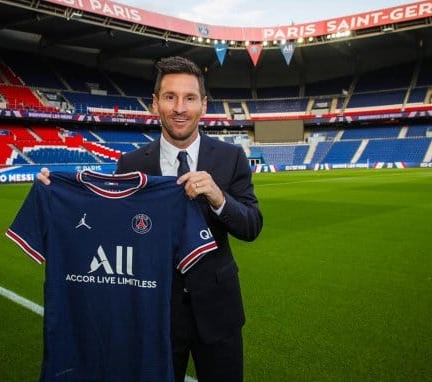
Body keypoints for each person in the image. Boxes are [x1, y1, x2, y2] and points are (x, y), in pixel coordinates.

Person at [37, 56, 263, 382]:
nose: (179, 108)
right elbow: (107, 231)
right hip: (153, 315)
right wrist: (56, 197)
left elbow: (252, 225)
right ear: (155, 103)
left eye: (189, 98)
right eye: (170, 97)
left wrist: (218, 197)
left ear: (204, 104)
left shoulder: (231, 158)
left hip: (218, 312)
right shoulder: (130, 164)